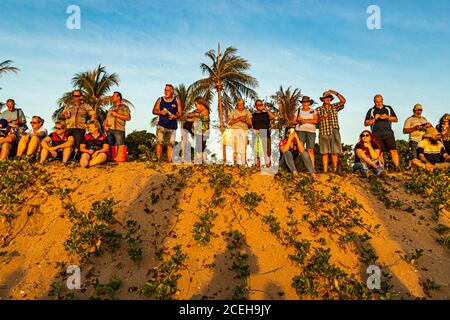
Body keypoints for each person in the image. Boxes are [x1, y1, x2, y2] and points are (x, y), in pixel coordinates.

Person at [364, 95, 400, 170]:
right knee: (380, 153)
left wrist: (387, 117)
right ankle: (382, 170)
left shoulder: (388, 108)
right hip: (376, 135)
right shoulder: (371, 110)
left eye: (380, 101)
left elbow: (396, 119)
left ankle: (397, 168)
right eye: (377, 102)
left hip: (389, 134)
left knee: (393, 150)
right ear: (374, 102)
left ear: (382, 100)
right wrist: (374, 119)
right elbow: (365, 123)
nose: (378, 103)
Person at [316, 90, 347, 173]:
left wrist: (335, 93)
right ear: (322, 99)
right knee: (324, 152)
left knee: (335, 151)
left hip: (334, 130)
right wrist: (322, 117)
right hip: (323, 131)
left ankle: (335, 170)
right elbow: (315, 121)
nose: (327, 99)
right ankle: (325, 171)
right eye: (326, 98)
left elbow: (343, 101)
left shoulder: (334, 106)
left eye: (329, 98)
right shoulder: (318, 109)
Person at [152, 84, 182, 162]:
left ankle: (169, 161)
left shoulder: (176, 100)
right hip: (161, 125)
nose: (166, 92)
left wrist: (175, 116)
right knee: (159, 142)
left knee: (171, 144)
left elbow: (180, 113)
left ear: (172, 91)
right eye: (165, 90)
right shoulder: (160, 99)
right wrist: (161, 112)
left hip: (172, 126)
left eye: (168, 90)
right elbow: (154, 111)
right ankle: (159, 160)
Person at [61, 90, 96, 155]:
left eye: (77, 96)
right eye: (74, 96)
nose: (75, 97)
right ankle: (68, 158)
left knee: (77, 145)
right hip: (69, 127)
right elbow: (63, 114)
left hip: (80, 128)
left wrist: (89, 124)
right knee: (69, 144)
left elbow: (93, 114)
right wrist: (65, 115)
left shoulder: (85, 105)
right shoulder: (68, 105)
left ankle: (77, 159)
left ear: (81, 97)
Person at [403, 104, 433, 169]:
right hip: (414, 140)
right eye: (416, 110)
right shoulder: (410, 119)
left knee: (423, 157)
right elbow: (404, 131)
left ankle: (421, 170)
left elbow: (430, 129)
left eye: (420, 110)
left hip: (424, 141)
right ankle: (410, 169)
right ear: (413, 110)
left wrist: (430, 125)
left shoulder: (424, 119)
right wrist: (415, 128)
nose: (418, 112)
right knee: (413, 156)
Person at [293, 96, 318, 169]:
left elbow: (316, 121)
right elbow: (293, 121)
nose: (305, 103)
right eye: (303, 102)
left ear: (309, 103)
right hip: (300, 131)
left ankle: (312, 169)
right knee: (300, 149)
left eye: (306, 102)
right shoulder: (298, 111)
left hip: (311, 132)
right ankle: (299, 167)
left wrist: (304, 120)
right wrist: (299, 121)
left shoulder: (313, 111)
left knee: (311, 150)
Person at [184, 96, 210, 163]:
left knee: (201, 146)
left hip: (204, 131)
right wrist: (188, 115)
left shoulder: (205, 111)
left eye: (196, 105)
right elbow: (191, 114)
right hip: (198, 130)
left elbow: (197, 119)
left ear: (201, 104)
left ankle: (200, 160)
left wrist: (189, 118)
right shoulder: (197, 111)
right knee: (199, 145)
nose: (195, 106)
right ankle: (199, 160)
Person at [252, 99, 275, 168]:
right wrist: (254, 130)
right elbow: (250, 124)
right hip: (257, 133)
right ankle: (257, 165)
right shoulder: (253, 115)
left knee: (267, 150)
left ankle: (268, 165)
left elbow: (273, 116)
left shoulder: (266, 114)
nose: (259, 106)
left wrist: (265, 108)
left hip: (265, 133)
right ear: (255, 106)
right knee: (257, 151)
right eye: (258, 105)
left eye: (261, 104)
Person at [229, 99, 252, 166]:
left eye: (242, 104)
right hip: (234, 130)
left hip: (244, 130)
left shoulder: (247, 112)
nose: (240, 105)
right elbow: (230, 122)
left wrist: (244, 120)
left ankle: (243, 164)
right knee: (235, 147)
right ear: (237, 104)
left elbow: (250, 124)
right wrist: (238, 119)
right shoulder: (233, 111)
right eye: (239, 104)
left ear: (244, 104)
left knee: (243, 148)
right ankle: (235, 164)